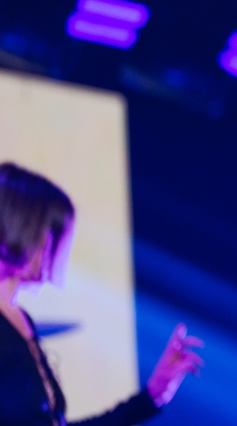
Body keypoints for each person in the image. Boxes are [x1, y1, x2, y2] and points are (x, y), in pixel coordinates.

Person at [0, 162, 203, 426]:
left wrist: (152, 396)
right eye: (48, 231)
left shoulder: (21, 321)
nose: (52, 245)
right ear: (19, 226)